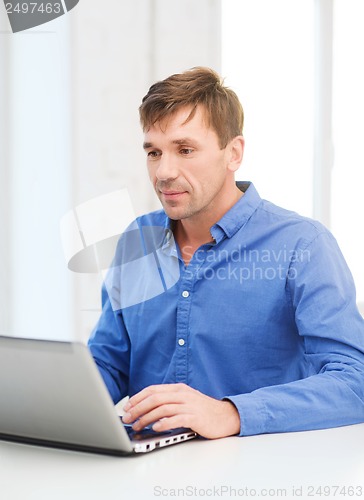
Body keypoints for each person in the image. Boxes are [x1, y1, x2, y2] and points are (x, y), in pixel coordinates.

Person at [88, 67, 364, 439]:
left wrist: (231, 413)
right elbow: (108, 364)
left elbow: (354, 383)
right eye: (154, 152)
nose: (164, 171)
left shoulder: (303, 245)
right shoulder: (137, 240)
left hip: (258, 477)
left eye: (185, 150)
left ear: (233, 153)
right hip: (143, 473)